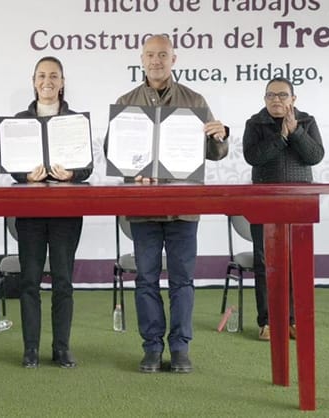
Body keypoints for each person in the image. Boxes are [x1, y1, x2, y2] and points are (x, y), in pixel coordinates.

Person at [113, 35, 229, 373]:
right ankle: (151, 348)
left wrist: (220, 135)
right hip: (144, 210)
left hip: (184, 206)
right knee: (146, 279)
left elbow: (215, 152)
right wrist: (130, 173)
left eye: (162, 55)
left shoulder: (195, 100)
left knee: (182, 281)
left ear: (174, 58)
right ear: (141, 58)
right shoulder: (126, 102)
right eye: (150, 55)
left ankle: (180, 349)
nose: (156, 61)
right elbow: (116, 155)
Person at [11, 56, 91, 369]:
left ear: (62, 82)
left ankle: (61, 348)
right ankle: (30, 349)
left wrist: (72, 175)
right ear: (33, 82)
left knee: (63, 282)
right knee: (29, 281)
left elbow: (86, 167)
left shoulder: (75, 120)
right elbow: (13, 166)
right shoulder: (19, 120)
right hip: (30, 213)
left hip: (66, 212)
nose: (48, 81)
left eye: (54, 76)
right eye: (42, 76)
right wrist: (24, 176)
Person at [242, 77, 324, 341]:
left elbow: (314, 156)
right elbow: (253, 157)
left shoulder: (307, 121)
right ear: (264, 99)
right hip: (264, 201)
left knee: (295, 262)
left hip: (299, 201)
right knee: (264, 261)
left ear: (293, 99)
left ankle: (294, 321)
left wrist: (296, 132)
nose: (276, 100)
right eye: (270, 95)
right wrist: (281, 137)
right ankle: (267, 321)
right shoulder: (254, 124)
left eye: (282, 95)